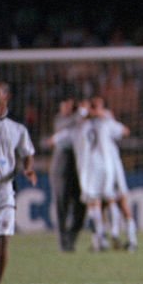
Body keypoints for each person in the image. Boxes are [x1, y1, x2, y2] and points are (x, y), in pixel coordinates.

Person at [50, 97, 138, 252]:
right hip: (110, 167)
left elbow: (54, 140)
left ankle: (103, 238)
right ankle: (117, 236)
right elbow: (125, 131)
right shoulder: (106, 122)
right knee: (112, 200)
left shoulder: (79, 126)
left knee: (97, 202)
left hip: (90, 170)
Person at [0, 81, 36, 284]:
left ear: (7, 97)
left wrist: (28, 168)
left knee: (1, 245)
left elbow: (28, 152)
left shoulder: (17, 129)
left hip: (4, 196)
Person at [51, 98, 86, 252]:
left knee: (81, 203)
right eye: (63, 105)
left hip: (79, 162)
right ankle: (62, 241)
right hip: (62, 163)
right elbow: (63, 126)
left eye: (68, 105)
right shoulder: (61, 120)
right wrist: (81, 114)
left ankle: (71, 237)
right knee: (62, 203)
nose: (65, 108)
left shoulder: (82, 120)